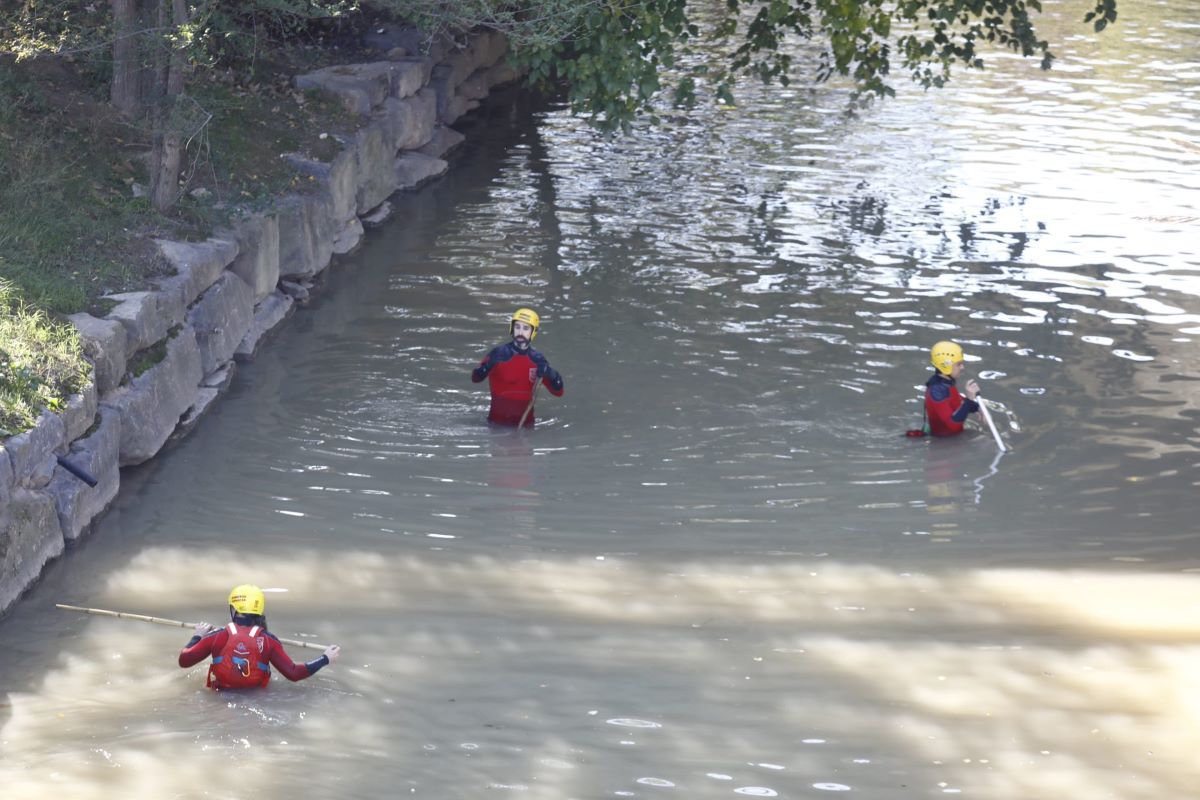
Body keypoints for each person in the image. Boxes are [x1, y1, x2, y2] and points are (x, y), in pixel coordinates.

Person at [178, 584, 340, 690]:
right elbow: (294, 673)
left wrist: (198, 636)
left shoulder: (217, 636)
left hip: (220, 698)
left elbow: (184, 661)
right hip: (256, 698)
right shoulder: (269, 640)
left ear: (234, 609)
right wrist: (325, 658)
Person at [471, 307, 564, 427]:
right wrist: (490, 364)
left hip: (526, 427)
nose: (520, 332)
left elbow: (558, 392)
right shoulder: (498, 354)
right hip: (496, 426)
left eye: (526, 328)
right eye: (517, 327)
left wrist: (551, 373)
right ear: (512, 328)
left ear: (533, 331)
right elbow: (475, 378)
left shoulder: (538, 360)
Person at [924, 340, 981, 437]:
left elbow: (956, 401)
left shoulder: (944, 383)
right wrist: (969, 400)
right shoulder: (937, 392)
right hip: (944, 442)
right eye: (959, 364)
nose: (962, 367)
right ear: (946, 366)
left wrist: (978, 408)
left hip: (950, 437)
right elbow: (953, 425)